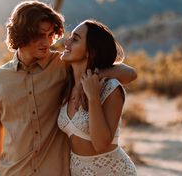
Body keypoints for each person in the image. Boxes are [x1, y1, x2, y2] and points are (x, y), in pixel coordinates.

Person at [0, 0, 137, 176]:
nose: (46, 42)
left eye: (50, 35)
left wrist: (93, 76)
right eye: (39, 35)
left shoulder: (63, 64)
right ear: (21, 34)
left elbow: (128, 73)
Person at [58, 19, 137, 175]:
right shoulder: (66, 84)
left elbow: (101, 144)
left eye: (75, 39)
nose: (66, 41)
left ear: (90, 51)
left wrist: (93, 97)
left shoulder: (110, 88)